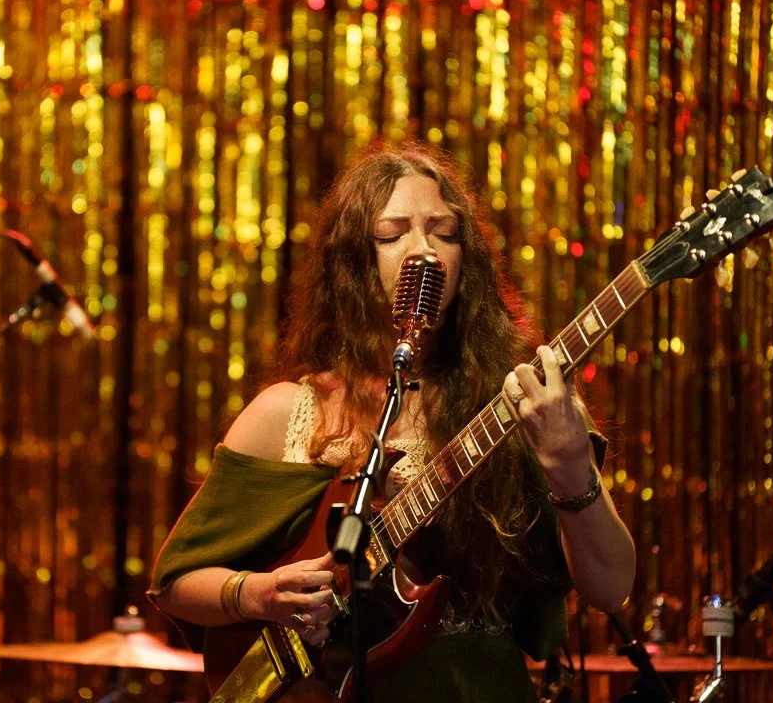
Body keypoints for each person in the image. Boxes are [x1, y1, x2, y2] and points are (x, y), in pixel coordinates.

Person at [149, 142, 636, 701]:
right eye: (392, 233)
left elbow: (612, 587)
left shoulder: (519, 404)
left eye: (445, 233)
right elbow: (175, 583)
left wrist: (572, 464)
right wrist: (259, 594)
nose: (423, 250)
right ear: (352, 260)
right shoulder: (286, 413)